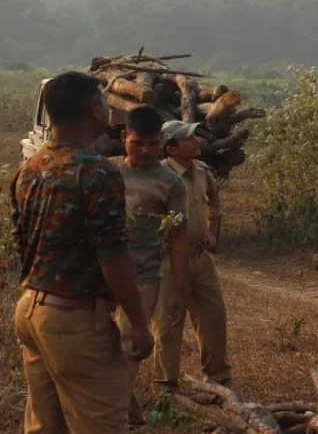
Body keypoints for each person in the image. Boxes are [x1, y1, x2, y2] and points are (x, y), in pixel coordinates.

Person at [10, 71, 154, 433]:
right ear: (93, 108)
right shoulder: (97, 172)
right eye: (104, 102)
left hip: (31, 310)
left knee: (44, 426)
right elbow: (113, 255)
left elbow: (24, 242)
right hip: (73, 321)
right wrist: (138, 323)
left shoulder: (30, 168)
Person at [110, 104, 190, 426]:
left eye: (153, 144)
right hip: (100, 277)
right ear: (123, 137)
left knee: (130, 348)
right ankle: (129, 413)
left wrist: (179, 289)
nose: (146, 151)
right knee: (102, 347)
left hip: (143, 279)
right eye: (138, 142)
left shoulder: (171, 183)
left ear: (161, 141)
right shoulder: (106, 173)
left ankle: (114, 418)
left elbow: (180, 237)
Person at [152, 119, 232, 391]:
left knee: (213, 317)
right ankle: (166, 385)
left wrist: (213, 232)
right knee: (168, 322)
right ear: (171, 148)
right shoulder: (159, 176)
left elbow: (215, 202)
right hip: (169, 262)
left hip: (201, 258)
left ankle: (218, 376)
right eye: (188, 138)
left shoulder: (201, 171)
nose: (197, 141)